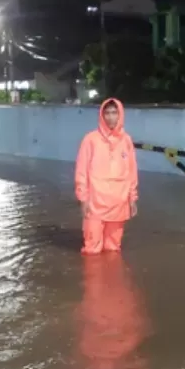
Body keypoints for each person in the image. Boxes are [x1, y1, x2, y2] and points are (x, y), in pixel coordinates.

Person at [75, 98, 138, 255]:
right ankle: (92, 280)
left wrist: (132, 198)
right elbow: (81, 171)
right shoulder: (91, 140)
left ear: (120, 115)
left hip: (119, 202)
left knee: (113, 249)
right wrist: (83, 198)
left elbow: (131, 171)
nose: (111, 117)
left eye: (114, 113)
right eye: (107, 113)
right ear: (101, 116)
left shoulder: (126, 140)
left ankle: (112, 280)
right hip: (95, 203)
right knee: (92, 250)